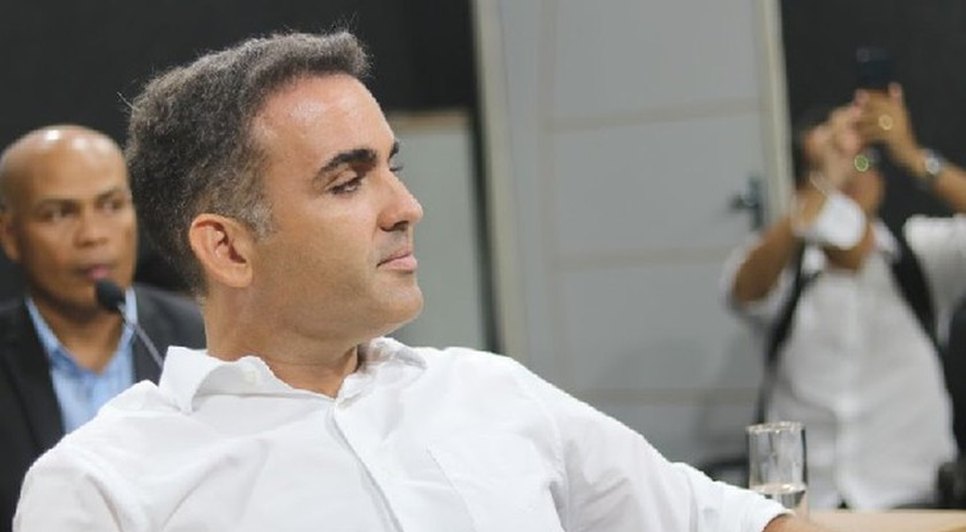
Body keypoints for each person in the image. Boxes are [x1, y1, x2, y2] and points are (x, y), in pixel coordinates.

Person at [14, 31, 822, 532]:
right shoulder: (105, 487)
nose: (406, 207)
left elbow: (731, 522)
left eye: (391, 168)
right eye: (347, 182)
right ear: (227, 248)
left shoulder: (492, 392)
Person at [723, 90, 966, 509]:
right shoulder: (785, 270)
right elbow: (743, 290)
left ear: (881, 181)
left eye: (862, 162)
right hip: (807, 508)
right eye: (827, 163)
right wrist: (817, 194)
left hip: (915, 503)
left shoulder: (919, 258)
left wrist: (913, 156)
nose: (849, 175)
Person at [0, 125, 206, 531]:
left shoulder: (204, 338)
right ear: (10, 235)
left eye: (111, 205)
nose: (93, 235)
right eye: (59, 213)